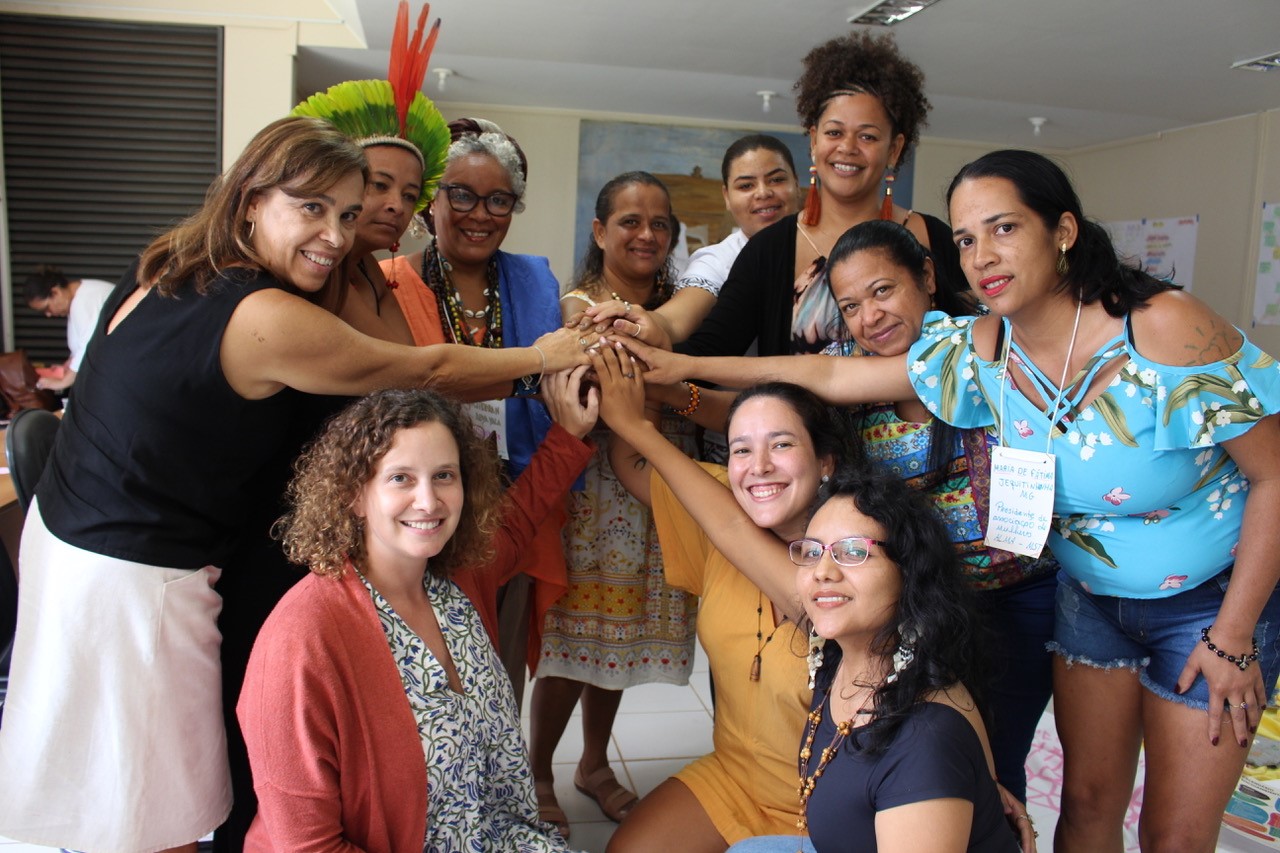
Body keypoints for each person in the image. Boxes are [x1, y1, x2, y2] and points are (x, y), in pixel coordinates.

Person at [619, 148, 1280, 852]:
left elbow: (1274, 473)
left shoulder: (1164, 327)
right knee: (1086, 805)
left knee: (1175, 834)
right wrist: (679, 367)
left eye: (1003, 228)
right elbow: (817, 375)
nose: (983, 254)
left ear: (1062, 230)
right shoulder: (985, 347)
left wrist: (1234, 636)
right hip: (1088, 597)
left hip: (1202, 600)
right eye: (966, 238)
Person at [0, 115, 590, 853]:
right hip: (135, 576)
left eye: (348, 212)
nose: (337, 234)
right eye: (312, 207)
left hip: (69, 539)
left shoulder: (174, 261)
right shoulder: (264, 316)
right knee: (153, 809)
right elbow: (426, 372)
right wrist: (543, 353)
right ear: (251, 199)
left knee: (119, 789)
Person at [239, 383, 596, 851]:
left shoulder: (462, 577)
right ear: (353, 494)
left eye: (444, 475)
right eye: (400, 478)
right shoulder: (303, 637)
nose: (429, 502)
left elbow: (522, 515)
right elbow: (306, 845)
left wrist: (570, 431)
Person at [815, 219, 1057, 804]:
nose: (868, 317)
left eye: (881, 291)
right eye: (849, 306)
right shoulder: (840, 368)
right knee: (914, 763)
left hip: (1018, 595)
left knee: (997, 766)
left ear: (926, 276)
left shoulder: (991, 346)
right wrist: (673, 387)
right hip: (908, 605)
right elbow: (767, 407)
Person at [590, 352, 845, 849]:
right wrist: (637, 382)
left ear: (826, 462)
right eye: (741, 450)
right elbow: (631, 460)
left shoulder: (854, 554)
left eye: (783, 444)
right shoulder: (719, 501)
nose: (759, 468)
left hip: (834, 802)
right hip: (735, 778)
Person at [724, 465, 1022, 853]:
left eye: (853, 552)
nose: (822, 572)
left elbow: (929, 764)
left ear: (909, 571)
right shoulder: (840, 658)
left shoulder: (925, 739)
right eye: (813, 551)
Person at [529, 171, 699, 839]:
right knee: (572, 645)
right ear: (600, 231)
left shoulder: (679, 308)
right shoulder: (579, 304)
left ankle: (594, 764)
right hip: (594, 496)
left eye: (660, 224)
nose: (647, 233)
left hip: (657, 487)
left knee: (618, 645)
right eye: (630, 220)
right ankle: (539, 769)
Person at [381, 117, 570, 696]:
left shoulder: (533, 281)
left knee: (498, 670)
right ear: (431, 202)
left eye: (498, 200)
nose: (480, 214)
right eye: (461, 195)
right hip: (413, 505)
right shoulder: (389, 281)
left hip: (509, 506)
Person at [675, 29, 966, 361]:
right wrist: (631, 349)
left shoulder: (936, 239)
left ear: (895, 149)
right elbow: (708, 352)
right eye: (834, 132)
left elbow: (978, 339)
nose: (847, 148)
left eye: (868, 137)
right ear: (814, 141)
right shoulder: (769, 250)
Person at [575, 134, 801, 349]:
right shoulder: (717, 260)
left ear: (797, 184)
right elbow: (674, 320)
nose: (763, 193)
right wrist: (636, 319)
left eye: (777, 180)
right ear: (727, 197)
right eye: (746, 186)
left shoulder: (830, 245)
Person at [24, 263, 114, 392]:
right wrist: (70, 362)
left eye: (47, 308)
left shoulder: (83, 301)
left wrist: (63, 382)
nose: (48, 314)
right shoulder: (77, 298)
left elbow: (89, 345)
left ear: (55, 292)